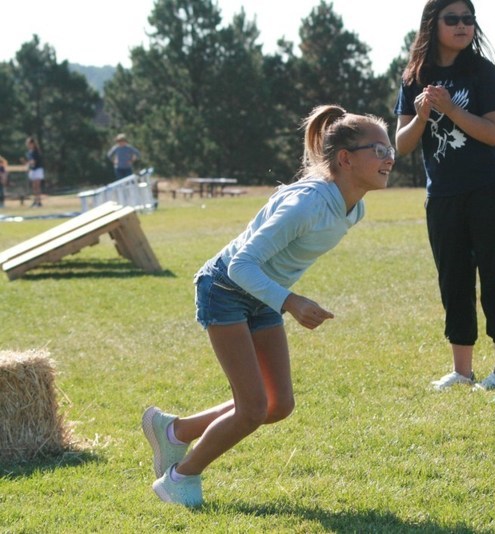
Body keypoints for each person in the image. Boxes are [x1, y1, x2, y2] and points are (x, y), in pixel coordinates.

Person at [141, 104, 395, 507]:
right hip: (225, 288)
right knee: (253, 407)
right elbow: (241, 264)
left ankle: (173, 431)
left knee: (277, 405)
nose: (389, 159)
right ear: (346, 159)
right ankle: (179, 478)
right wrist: (290, 301)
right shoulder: (309, 203)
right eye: (378, 150)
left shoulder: (354, 206)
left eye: (390, 150)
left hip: (261, 295)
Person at [394, 0, 495, 391]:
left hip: (487, 190)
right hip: (443, 195)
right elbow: (400, 145)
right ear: (433, 24)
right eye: (453, 19)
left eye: (468, 19)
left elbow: (491, 133)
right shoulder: (415, 77)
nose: (463, 25)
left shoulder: (482, 72)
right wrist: (420, 116)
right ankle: (462, 371)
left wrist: (448, 109)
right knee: (454, 280)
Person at [25, 137, 44, 207]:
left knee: (37, 186)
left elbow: (34, 162)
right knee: (34, 187)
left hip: (38, 169)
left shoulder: (36, 152)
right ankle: (35, 201)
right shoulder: (29, 152)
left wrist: (28, 164)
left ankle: (39, 201)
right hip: (33, 170)